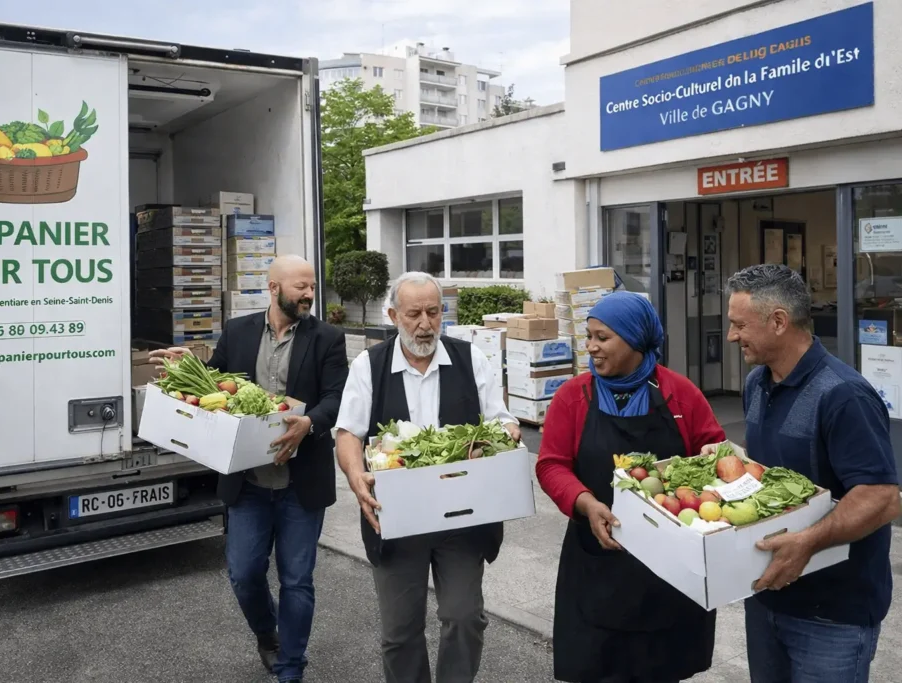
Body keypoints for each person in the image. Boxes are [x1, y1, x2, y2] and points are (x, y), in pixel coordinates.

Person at [149, 255, 348, 683]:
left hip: (301, 484)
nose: (310, 294)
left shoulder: (328, 338)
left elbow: (336, 397)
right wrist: (188, 367)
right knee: (243, 574)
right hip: (250, 484)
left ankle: (291, 667)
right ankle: (268, 634)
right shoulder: (238, 331)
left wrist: (309, 422)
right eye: (301, 287)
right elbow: (218, 387)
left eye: (312, 286)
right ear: (274, 289)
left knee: (297, 580)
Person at [707, 264, 900, 683]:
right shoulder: (758, 383)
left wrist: (809, 542)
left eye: (739, 325)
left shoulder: (844, 395)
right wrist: (730, 459)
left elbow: (882, 497)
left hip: (833, 616)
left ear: (778, 321)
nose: (731, 336)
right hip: (767, 596)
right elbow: (775, 473)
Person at [334, 271, 521, 683]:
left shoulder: (471, 359)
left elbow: (503, 421)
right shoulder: (370, 365)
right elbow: (348, 432)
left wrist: (500, 437)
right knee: (400, 632)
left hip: (462, 517)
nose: (425, 323)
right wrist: (355, 474)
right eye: (414, 313)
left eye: (434, 312)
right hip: (397, 518)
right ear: (393, 315)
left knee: (464, 616)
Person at [535, 291, 725, 683]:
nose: (591, 347)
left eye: (602, 338)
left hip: (669, 569)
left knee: (661, 668)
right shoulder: (574, 396)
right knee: (597, 667)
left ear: (635, 339)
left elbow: (714, 451)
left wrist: (712, 455)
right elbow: (551, 465)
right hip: (597, 562)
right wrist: (584, 502)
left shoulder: (680, 394)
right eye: (588, 336)